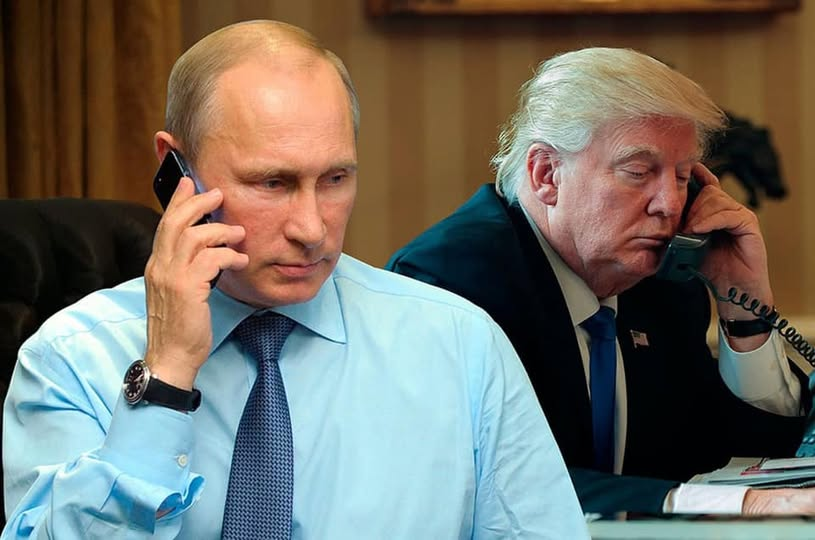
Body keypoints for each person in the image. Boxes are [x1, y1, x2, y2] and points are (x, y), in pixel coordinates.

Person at [1, 20, 588, 539]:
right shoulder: (71, 359)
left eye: (335, 179)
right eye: (272, 183)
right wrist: (166, 378)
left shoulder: (461, 348)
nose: (312, 229)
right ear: (175, 168)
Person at [387, 47, 815, 516]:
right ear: (546, 174)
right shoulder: (450, 283)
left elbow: (755, 461)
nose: (670, 205)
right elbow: (482, 482)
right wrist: (722, 501)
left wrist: (745, 312)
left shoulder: (664, 286)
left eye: (682, 177)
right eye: (639, 173)